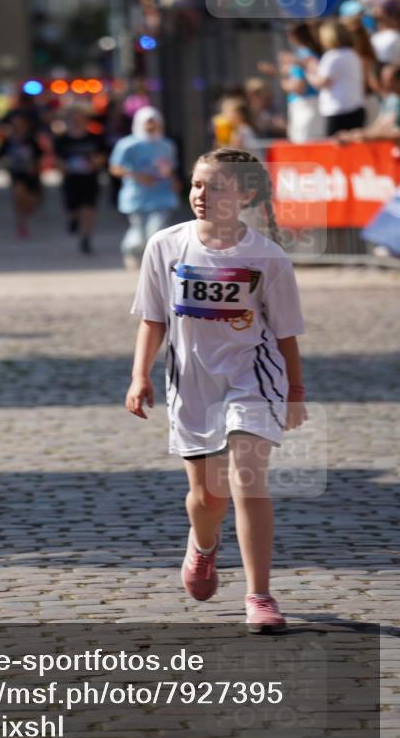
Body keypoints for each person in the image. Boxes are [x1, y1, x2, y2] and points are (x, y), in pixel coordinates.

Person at [125, 147, 307, 632]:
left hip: (254, 378)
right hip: (193, 383)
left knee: (248, 480)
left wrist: (296, 391)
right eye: (197, 184)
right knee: (209, 496)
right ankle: (203, 545)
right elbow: (153, 319)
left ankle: (260, 595)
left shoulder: (268, 257)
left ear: (245, 194)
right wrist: (140, 375)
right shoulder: (165, 245)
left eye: (216, 186)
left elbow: (286, 333)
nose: (202, 195)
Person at [109, 106, 180, 270]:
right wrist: (137, 176)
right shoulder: (128, 145)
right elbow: (115, 168)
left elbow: (170, 168)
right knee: (139, 233)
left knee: (156, 231)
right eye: (148, 122)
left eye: (154, 122)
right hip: (137, 196)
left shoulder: (166, 145)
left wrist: (174, 181)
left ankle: (153, 264)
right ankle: (132, 253)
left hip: (162, 194)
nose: (151, 126)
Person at [53, 106, 107, 254]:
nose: (76, 121)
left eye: (79, 118)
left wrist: (94, 164)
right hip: (71, 179)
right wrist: (64, 168)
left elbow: (102, 156)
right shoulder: (62, 140)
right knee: (74, 209)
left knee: (89, 210)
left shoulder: (94, 138)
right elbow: (57, 160)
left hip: (90, 179)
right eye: (73, 119)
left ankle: (86, 239)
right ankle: (73, 219)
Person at [307, 22, 365, 136]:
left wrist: (309, 72)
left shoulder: (332, 56)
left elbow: (322, 82)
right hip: (355, 107)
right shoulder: (353, 54)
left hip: (337, 111)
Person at [0, 111, 43, 238]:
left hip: (31, 174)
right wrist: (3, 164)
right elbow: (0, 156)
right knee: (18, 196)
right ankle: (21, 223)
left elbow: (39, 155)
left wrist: (35, 167)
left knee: (31, 202)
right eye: (15, 124)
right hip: (17, 173)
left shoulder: (31, 139)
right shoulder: (9, 141)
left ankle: (27, 212)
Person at [281, 23, 325, 143]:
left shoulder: (303, 55)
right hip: (312, 106)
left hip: (305, 107)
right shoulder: (311, 53)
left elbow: (299, 86)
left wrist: (283, 82)